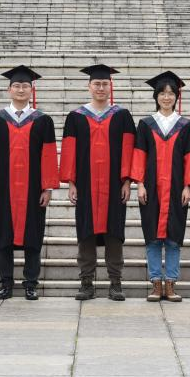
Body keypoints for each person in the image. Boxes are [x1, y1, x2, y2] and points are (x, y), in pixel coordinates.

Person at [60, 63, 136, 301]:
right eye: (97, 84)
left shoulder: (122, 116)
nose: (101, 88)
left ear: (110, 86)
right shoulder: (76, 117)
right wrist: (71, 182)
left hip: (114, 185)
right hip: (85, 184)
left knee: (114, 233)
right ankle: (86, 282)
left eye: (104, 84)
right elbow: (69, 151)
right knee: (86, 233)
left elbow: (129, 150)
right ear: (89, 86)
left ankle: (115, 282)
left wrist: (127, 181)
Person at [0, 66, 59, 301]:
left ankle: (30, 283)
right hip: (3, 188)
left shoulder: (43, 120)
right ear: (9, 90)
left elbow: (49, 155)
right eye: (16, 86)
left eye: (25, 86)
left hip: (33, 189)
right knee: (4, 236)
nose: (20, 89)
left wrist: (47, 187)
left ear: (31, 90)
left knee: (33, 237)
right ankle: (6, 283)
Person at [130, 71, 190, 303]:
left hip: (175, 189)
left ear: (176, 97)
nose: (166, 97)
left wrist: (188, 186)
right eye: (162, 93)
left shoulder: (185, 125)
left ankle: (170, 283)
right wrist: (139, 184)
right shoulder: (145, 124)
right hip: (151, 188)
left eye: (171, 93)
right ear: (156, 96)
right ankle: (156, 283)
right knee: (152, 237)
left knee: (173, 238)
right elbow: (139, 155)